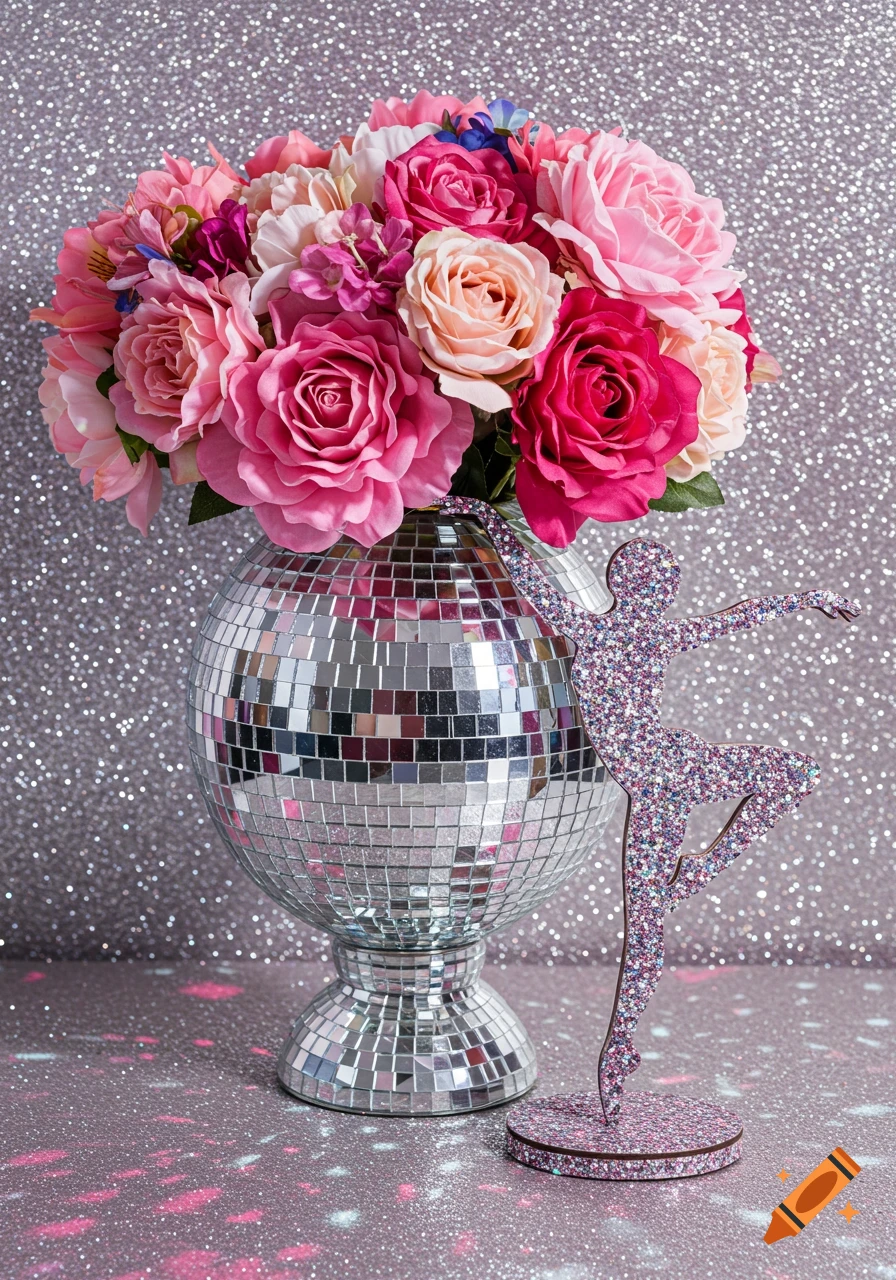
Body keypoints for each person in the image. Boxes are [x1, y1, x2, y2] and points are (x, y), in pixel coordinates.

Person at [439, 496, 861, 1121]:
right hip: (658, 785)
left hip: (666, 769)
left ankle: (696, 873)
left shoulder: (621, 631)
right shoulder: (600, 628)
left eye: (663, 584)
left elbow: (737, 618)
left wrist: (803, 599)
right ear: (633, 586)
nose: (660, 593)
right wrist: (487, 515)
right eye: (655, 581)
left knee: (790, 777)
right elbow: (528, 575)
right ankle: (618, 1057)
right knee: (646, 934)